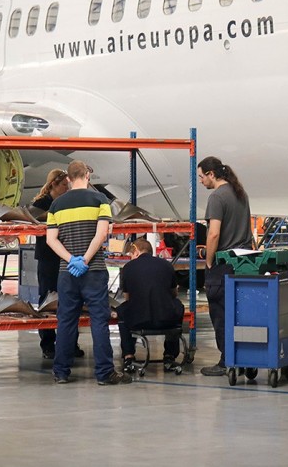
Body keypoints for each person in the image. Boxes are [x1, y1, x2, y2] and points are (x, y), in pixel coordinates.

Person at [46, 160, 132, 385]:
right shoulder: (100, 200)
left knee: (65, 321)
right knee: (99, 321)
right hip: (93, 270)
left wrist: (71, 260)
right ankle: (104, 373)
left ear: (68, 179)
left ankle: (61, 372)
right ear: (87, 176)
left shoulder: (56, 205)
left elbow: (50, 239)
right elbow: (101, 234)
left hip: (67, 272)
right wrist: (85, 259)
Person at [197, 156, 253, 376]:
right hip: (245, 263)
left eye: (202, 177)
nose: (201, 181)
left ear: (212, 174)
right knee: (240, 314)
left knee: (221, 315)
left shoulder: (217, 197)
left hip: (223, 265)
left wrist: (209, 260)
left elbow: (214, 233)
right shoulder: (241, 193)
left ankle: (226, 360)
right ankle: (243, 357)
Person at [30, 168, 83, 359]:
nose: (66, 188)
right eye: (63, 185)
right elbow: (34, 218)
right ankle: (48, 343)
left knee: (69, 299)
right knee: (47, 299)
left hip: (65, 255)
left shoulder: (66, 201)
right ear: (53, 184)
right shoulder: (41, 203)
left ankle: (70, 342)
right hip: (48, 258)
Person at [116, 238, 184, 372]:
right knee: (178, 306)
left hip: (139, 320)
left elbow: (127, 297)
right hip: (166, 320)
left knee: (122, 310)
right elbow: (174, 293)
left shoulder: (128, 268)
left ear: (136, 251)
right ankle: (169, 356)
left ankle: (129, 356)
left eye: (131, 253)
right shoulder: (166, 265)